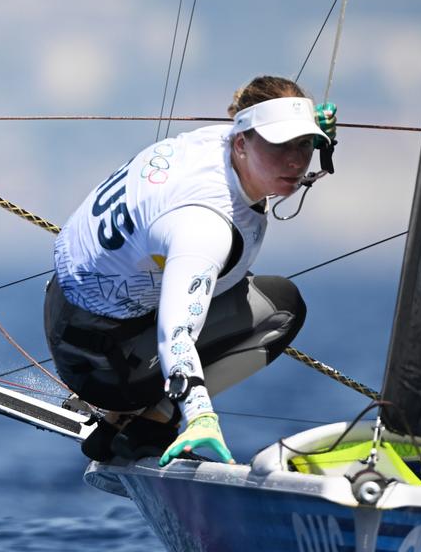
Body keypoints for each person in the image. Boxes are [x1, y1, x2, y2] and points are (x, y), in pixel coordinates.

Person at [45, 76, 337, 465]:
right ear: (241, 143)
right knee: (282, 305)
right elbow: (176, 334)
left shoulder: (215, 142)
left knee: (224, 283)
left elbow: (272, 143)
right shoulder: (205, 226)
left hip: (64, 311)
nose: (297, 161)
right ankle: (147, 424)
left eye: (306, 145)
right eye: (280, 145)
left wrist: (314, 131)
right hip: (103, 368)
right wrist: (199, 414)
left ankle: (119, 423)